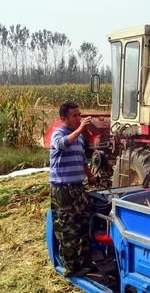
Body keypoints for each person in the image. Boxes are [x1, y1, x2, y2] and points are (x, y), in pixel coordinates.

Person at [49, 101, 97, 277]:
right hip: (63, 190)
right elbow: (62, 144)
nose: (79, 118)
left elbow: (82, 159)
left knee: (84, 224)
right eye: (75, 116)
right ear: (64, 118)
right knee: (68, 228)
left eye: (80, 115)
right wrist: (80, 130)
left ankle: (84, 262)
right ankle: (70, 267)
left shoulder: (79, 137)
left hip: (78, 187)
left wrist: (90, 176)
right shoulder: (59, 133)